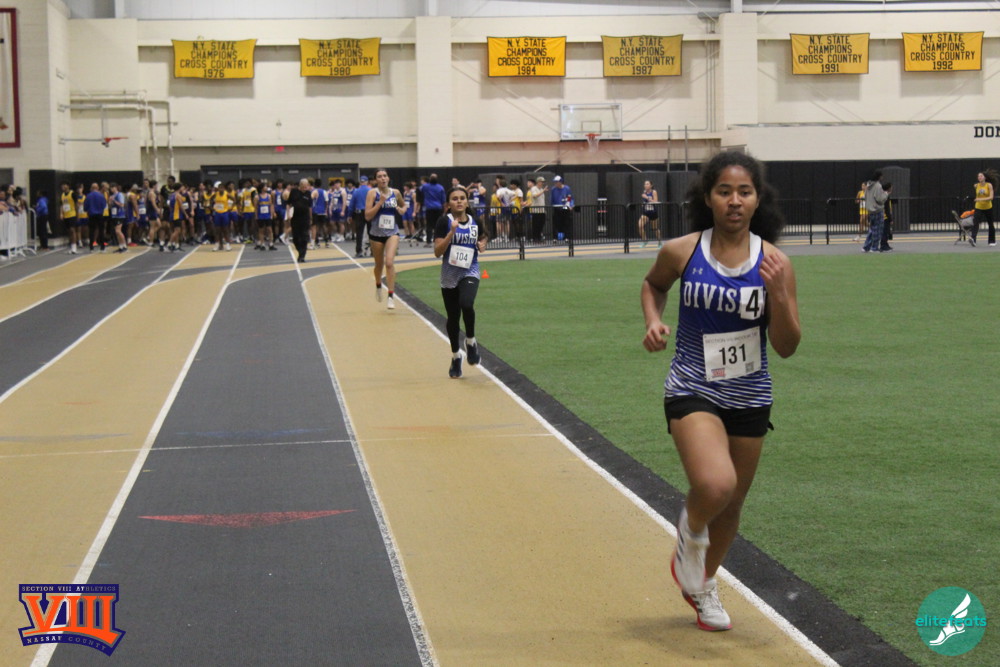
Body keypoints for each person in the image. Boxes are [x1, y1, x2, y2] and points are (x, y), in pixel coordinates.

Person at [640, 150, 800, 632]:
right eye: (724, 191)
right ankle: (690, 533)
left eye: (744, 192)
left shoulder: (775, 263)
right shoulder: (683, 251)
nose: (734, 201)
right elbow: (653, 285)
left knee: (731, 506)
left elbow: (787, 346)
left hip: (750, 395)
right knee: (715, 485)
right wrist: (653, 320)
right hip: (693, 386)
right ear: (707, 198)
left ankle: (703, 585)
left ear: (757, 200)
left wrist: (778, 294)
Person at [434, 185, 489, 378]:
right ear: (449, 204)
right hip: (449, 275)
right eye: (455, 198)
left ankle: (471, 341)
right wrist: (451, 233)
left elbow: (483, 237)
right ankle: (456, 355)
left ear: (467, 202)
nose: (459, 201)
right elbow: (437, 252)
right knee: (453, 318)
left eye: (462, 198)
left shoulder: (476, 221)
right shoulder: (444, 221)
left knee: (467, 303)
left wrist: (483, 244)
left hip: (470, 270)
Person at [364, 169, 408, 309]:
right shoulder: (372, 193)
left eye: (385, 176)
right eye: (379, 176)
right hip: (376, 234)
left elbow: (404, 205)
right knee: (379, 265)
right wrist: (380, 203)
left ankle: (390, 296)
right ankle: (378, 285)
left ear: (388, 178)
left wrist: (402, 210)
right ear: (375, 180)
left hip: (392, 232)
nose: (383, 178)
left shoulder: (396, 193)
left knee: (389, 262)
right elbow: (367, 216)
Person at [283, 178, 313, 262]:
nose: (305, 188)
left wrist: (311, 218)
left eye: (306, 186)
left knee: (304, 237)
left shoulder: (308, 193)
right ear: (300, 185)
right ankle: (300, 251)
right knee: (296, 237)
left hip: (305, 217)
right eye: (304, 186)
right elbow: (288, 204)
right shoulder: (294, 192)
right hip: (295, 217)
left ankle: (302, 255)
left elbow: (310, 207)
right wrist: (288, 214)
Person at [861, 170, 888, 253]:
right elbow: (880, 199)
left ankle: (866, 247)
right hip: (877, 210)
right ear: (879, 177)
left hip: (870, 210)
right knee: (878, 230)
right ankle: (874, 247)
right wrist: (886, 194)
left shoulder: (868, 185)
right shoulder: (878, 186)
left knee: (872, 230)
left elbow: (865, 196)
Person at [970, 170, 998, 248]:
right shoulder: (976, 185)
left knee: (990, 224)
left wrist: (980, 199)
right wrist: (978, 200)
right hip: (978, 207)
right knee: (975, 222)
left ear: (985, 177)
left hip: (988, 207)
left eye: (981, 176)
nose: (979, 177)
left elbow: (991, 197)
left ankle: (992, 241)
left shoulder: (989, 185)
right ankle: (973, 239)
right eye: (978, 176)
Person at [420, 173, 446, 248]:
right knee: (437, 225)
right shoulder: (440, 187)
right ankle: (437, 241)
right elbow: (443, 200)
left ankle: (429, 242)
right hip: (438, 208)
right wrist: (444, 210)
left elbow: (420, 190)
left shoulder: (425, 186)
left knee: (429, 225)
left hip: (429, 209)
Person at [352, 175, 371, 257]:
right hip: (369, 211)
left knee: (359, 232)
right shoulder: (371, 190)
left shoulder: (356, 191)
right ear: (367, 182)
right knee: (371, 232)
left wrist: (350, 214)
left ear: (360, 182)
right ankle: (373, 250)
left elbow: (352, 204)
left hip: (359, 212)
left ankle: (359, 250)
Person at [550, 176, 573, 243]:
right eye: (555, 182)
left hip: (565, 208)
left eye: (557, 182)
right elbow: (552, 199)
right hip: (557, 208)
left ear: (560, 182)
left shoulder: (567, 188)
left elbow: (569, 197)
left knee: (566, 223)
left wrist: (570, 205)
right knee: (556, 223)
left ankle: (567, 237)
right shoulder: (553, 189)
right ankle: (555, 238)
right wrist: (552, 205)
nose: (555, 183)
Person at [638, 180, 661, 248]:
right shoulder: (644, 192)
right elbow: (645, 202)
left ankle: (659, 242)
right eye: (645, 184)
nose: (645, 185)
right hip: (645, 212)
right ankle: (644, 240)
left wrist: (647, 198)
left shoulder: (653, 192)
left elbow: (655, 201)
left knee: (655, 228)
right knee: (640, 225)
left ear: (651, 185)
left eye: (647, 184)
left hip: (653, 212)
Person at [526, 176, 547, 243]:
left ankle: (539, 237)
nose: (542, 183)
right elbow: (535, 196)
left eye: (543, 182)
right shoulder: (534, 188)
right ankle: (535, 238)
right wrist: (543, 191)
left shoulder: (541, 189)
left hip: (542, 210)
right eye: (541, 182)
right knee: (536, 224)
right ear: (538, 182)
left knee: (541, 223)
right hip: (536, 210)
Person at [879, 182, 893, 252]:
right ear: (889, 188)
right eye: (891, 187)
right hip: (885, 217)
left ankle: (885, 244)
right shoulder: (886, 196)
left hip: (884, 216)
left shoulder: (884, 195)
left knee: (886, 231)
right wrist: (890, 219)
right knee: (884, 232)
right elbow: (887, 209)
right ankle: (883, 246)